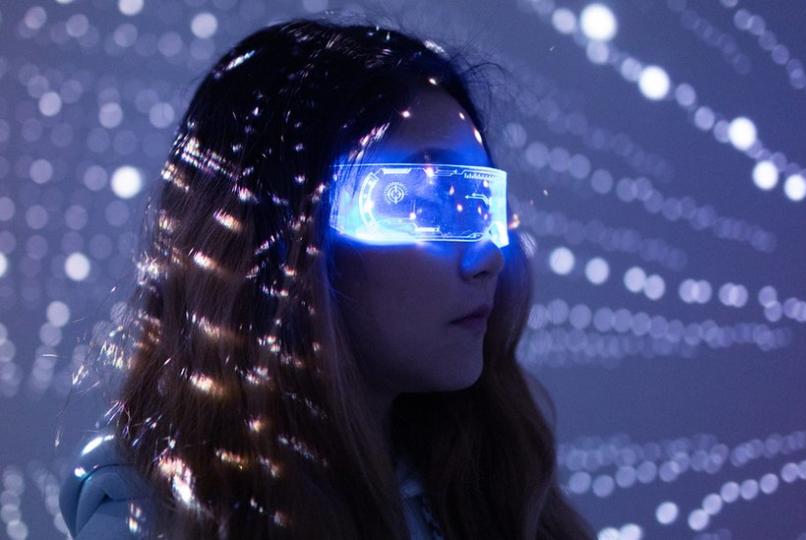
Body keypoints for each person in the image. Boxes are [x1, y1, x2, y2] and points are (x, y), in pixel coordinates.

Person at [58, 16, 595, 540]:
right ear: (281, 240)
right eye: (419, 201)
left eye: (479, 202)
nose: (489, 257)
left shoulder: (497, 489)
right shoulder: (153, 519)